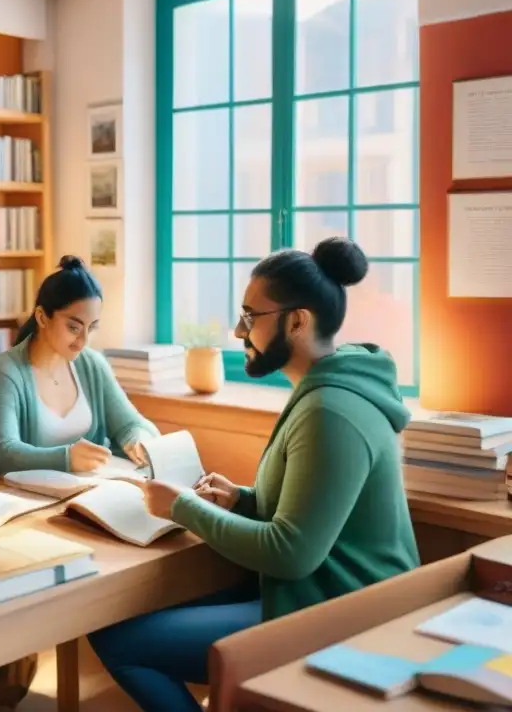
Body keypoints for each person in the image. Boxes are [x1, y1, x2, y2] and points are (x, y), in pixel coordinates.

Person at [87, 237, 421, 712]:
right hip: (323, 596)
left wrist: (183, 506)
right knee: (132, 612)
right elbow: (313, 514)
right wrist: (241, 499)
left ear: (297, 321)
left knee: (119, 641)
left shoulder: (331, 410)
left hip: (339, 613)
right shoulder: (325, 392)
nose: (238, 330)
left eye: (249, 317)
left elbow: (290, 553)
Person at [0, 255, 160, 477]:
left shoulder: (92, 365)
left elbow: (132, 425)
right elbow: (3, 453)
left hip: (82, 495)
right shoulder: (4, 372)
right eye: (74, 328)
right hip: (15, 498)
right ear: (41, 317)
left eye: (92, 327)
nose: (84, 340)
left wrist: (138, 441)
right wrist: (67, 458)